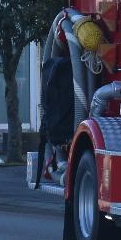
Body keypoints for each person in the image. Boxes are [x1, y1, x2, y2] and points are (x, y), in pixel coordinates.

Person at [36, 27, 75, 186]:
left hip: (58, 128)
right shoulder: (60, 67)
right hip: (59, 129)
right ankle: (59, 162)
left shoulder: (55, 66)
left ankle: (59, 162)